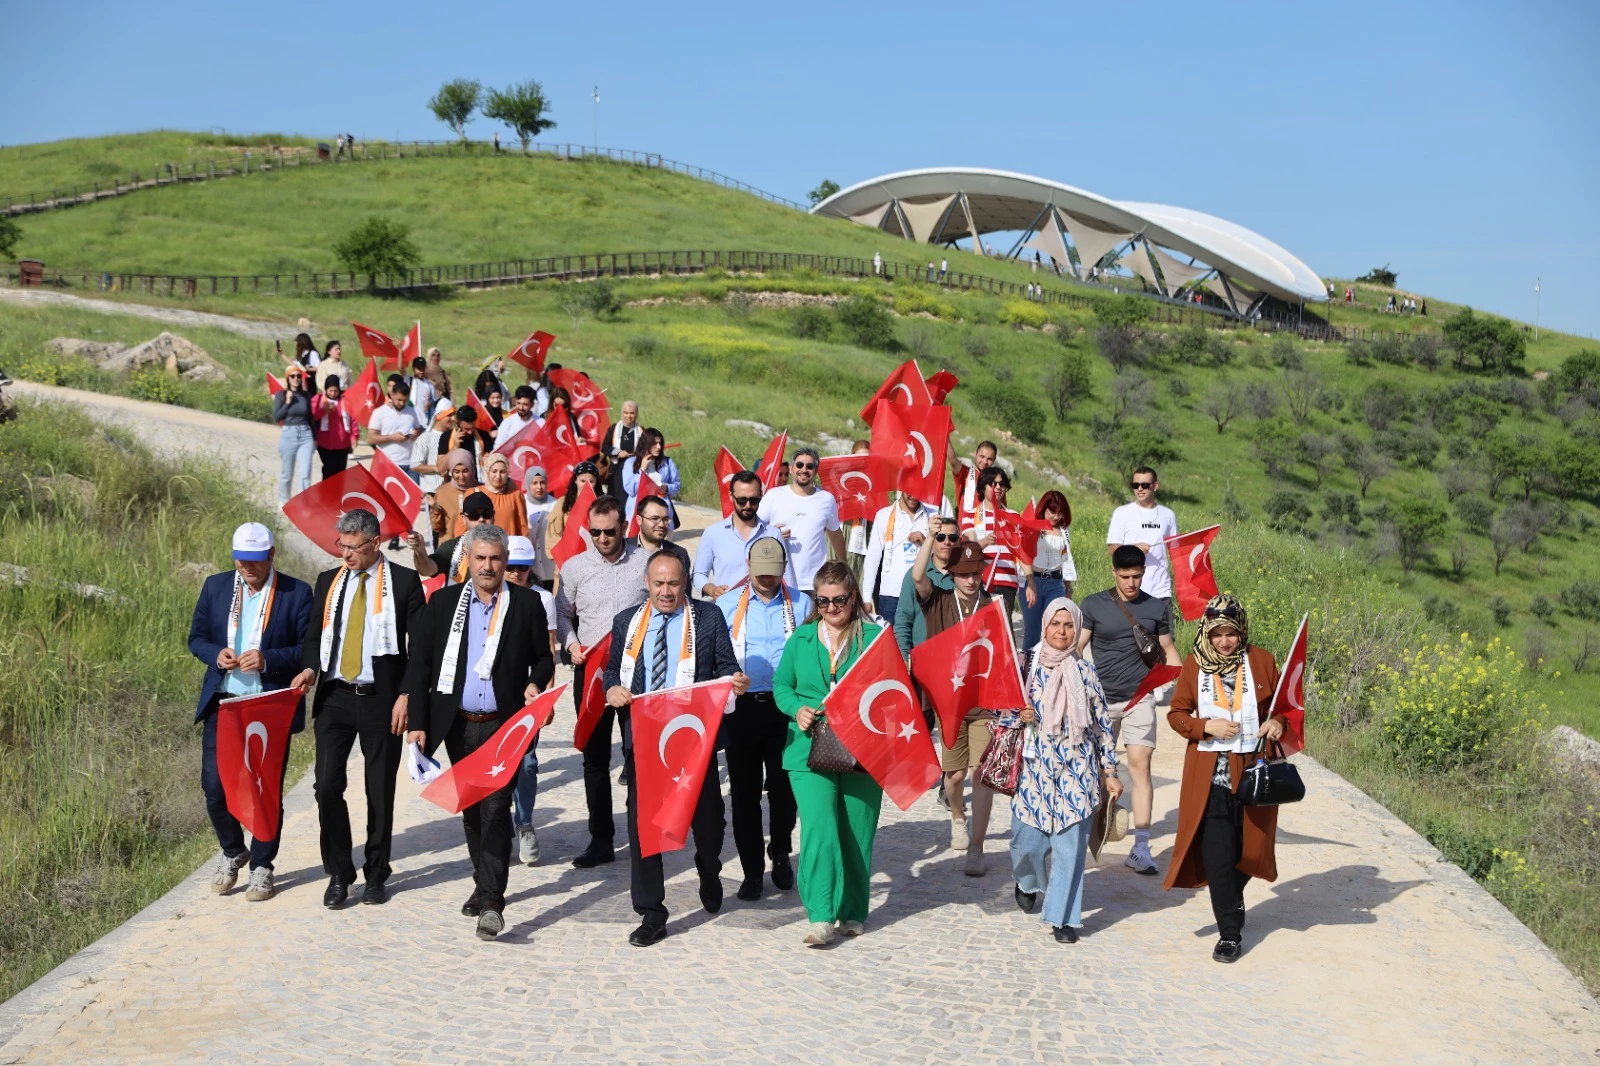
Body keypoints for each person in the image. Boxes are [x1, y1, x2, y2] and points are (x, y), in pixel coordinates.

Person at [403, 524, 554, 940]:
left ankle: (491, 900)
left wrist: (535, 684)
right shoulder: (445, 602)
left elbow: (544, 658)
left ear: (506, 562)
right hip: (456, 724)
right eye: (481, 558)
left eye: (496, 559)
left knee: (495, 808)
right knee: (471, 808)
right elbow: (420, 665)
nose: (488, 567)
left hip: (503, 727)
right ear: (467, 558)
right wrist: (418, 722)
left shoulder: (526, 604)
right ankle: (481, 881)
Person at [602, 551, 749, 946]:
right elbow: (614, 669)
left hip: (692, 739)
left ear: (685, 582)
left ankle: (708, 865)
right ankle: (651, 912)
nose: (666, 592)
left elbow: (724, 666)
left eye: (674, 583)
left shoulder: (708, 617)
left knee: (708, 820)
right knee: (642, 825)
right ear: (647, 583)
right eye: (658, 583)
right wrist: (611, 688)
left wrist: (731, 682)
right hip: (645, 740)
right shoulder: (626, 622)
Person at [290, 509, 426, 908]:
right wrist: (311, 667)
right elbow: (313, 634)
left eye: (353, 548)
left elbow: (419, 650)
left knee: (378, 790)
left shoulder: (403, 582)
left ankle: (376, 872)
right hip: (334, 697)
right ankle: (339, 871)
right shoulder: (328, 582)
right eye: (341, 546)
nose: (345, 555)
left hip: (381, 700)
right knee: (326, 785)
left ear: (375, 543)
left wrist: (406, 696)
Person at [186, 523, 314, 902]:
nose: (248, 568)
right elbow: (196, 638)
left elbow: (309, 651)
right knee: (214, 787)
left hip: (269, 706)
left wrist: (267, 659)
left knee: (265, 790)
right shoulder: (216, 586)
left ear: (272, 555)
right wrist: (215, 655)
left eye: (256, 561)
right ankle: (232, 850)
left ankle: (262, 866)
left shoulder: (296, 593)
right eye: (242, 561)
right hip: (225, 704)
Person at [1163, 595, 1284, 962]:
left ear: (1241, 630)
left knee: (1248, 854)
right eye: (1217, 634)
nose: (1224, 641)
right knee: (1217, 858)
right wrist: (1204, 726)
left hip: (1252, 779)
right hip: (1210, 779)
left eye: (1231, 633)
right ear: (1207, 633)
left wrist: (1278, 722)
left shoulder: (1261, 661)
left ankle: (1232, 897)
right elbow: (1176, 713)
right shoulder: (1194, 665)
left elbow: (1285, 706)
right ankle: (1229, 933)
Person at [773, 560, 884, 946]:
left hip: (862, 749)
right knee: (819, 830)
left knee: (856, 834)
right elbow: (781, 685)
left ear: (853, 597)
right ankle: (820, 916)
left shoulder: (874, 640)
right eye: (823, 601)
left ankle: (853, 910)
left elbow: (890, 691)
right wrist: (796, 709)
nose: (832, 608)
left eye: (839, 600)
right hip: (806, 748)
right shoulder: (800, 641)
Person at [999, 597, 1120, 943]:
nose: (1062, 632)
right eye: (1056, 624)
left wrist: (1109, 771)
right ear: (1045, 625)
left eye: (1069, 625)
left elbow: (1101, 726)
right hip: (1034, 772)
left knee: (1070, 850)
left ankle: (1064, 917)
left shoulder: (1085, 671)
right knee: (1027, 844)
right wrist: (1016, 716)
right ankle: (1028, 880)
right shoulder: (1026, 665)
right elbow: (998, 711)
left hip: (1076, 771)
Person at [553, 496, 649, 867]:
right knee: (594, 758)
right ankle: (601, 838)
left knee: (635, 755)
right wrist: (571, 643)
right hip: (591, 673)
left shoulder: (644, 563)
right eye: (596, 532)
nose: (604, 538)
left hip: (635, 674)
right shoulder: (575, 567)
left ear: (625, 527)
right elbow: (563, 612)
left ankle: (641, 833)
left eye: (611, 531)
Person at [1079, 545, 1182, 876]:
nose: (1131, 583)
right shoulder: (1094, 604)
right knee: (1095, 770)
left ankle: (1141, 847)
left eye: (1137, 576)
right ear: (1113, 572)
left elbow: (1168, 649)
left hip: (1140, 698)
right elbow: (1077, 648)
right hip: (1100, 702)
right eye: (1125, 577)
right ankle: (1087, 834)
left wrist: (1183, 683)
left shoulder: (1156, 606)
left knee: (1141, 766)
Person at [717, 537, 810, 901]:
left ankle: (781, 851)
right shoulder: (725, 606)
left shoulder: (802, 604)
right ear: (747, 567)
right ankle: (752, 869)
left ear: (784, 569)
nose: (767, 580)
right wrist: (728, 676)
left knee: (785, 791)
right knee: (743, 793)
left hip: (786, 708)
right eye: (760, 573)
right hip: (741, 709)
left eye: (774, 573)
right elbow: (714, 656)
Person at [915, 539, 997, 873]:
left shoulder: (992, 604)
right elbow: (918, 577)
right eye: (963, 574)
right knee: (955, 774)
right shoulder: (939, 601)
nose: (970, 580)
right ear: (952, 575)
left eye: (975, 573)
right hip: (948, 704)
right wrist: (930, 540)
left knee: (981, 774)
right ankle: (957, 815)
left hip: (982, 703)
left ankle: (977, 847)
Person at [504, 534, 558, 863]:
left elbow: (547, 652)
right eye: (509, 567)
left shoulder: (542, 599)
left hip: (530, 693)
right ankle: (496, 824)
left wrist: (547, 697)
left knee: (527, 763)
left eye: (521, 569)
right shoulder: (489, 596)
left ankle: (524, 823)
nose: (515, 574)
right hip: (492, 694)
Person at [757, 446, 844, 592]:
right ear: (791, 468)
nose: (804, 470)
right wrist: (771, 533)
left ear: (815, 471)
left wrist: (843, 566)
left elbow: (835, 534)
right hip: (778, 579)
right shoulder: (774, 496)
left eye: (810, 466)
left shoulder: (826, 499)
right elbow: (754, 529)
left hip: (815, 583)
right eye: (799, 465)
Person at [693, 470, 789, 597]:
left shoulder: (774, 534)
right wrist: (712, 589)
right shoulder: (712, 534)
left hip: (764, 610)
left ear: (761, 495)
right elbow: (699, 574)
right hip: (726, 611)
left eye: (754, 500)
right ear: (731, 496)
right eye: (742, 500)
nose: (748, 505)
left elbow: (785, 576)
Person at [1105, 465, 1178, 609]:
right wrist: (1133, 549)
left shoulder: (1168, 515)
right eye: (1135, 485)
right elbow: (1112, 549)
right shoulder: (1121, 513)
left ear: (1155, 486)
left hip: (1161, 591)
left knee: (1164, 632)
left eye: (1144, 485)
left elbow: (1175, 550)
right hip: (1130, 590)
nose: (1139, 489)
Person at [861, 490, 935, 624]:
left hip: (923, 593)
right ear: (901, 488)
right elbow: (873, 558)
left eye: (918, 491)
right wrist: (866, 597)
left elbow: (942, 554)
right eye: (909, 491)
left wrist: (926, 541)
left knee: (921, 643)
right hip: (891, 595)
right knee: (892, 643)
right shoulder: (884, 515)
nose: (914, 496)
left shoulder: (933, 515)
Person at [894, 515, 960, 657]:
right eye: (940, 537)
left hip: (957, 661)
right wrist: (903, 657)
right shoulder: (914, 575)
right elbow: (903, 621)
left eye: (953, 538)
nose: (947, 542)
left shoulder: (967, 577)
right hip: (921, 659)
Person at [963, 466, 1021, 624]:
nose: (997, 488)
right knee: (980, 630)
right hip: (980, 581)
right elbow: (969, 550)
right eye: (992, 484)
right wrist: (984, 542)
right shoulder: (970, 516)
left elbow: (1022, 552)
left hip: (1007, 581)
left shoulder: (1014, 516)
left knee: (1005, 631)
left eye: (1001, 484)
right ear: (983, 487)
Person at [1021, 490, 1077, 650]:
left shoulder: (1065, 531)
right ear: (1043, 509)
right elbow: (1023, 555)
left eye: (1060, 513)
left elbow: (1066, 560)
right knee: (1032, 632)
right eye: (1052, 512)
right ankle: (1028, 670)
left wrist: (1068, 590)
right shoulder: (1032, 526)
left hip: (1055, 584)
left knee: (1053, 628)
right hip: (1034, 582)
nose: (1055, 517)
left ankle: (1050, 670)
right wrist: (1030, 583)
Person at [411, 491, 497, 582]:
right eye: (474, 516)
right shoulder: (452, 547)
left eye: (487, 514)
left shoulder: (507, 545)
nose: (481, 519)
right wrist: (419, 550)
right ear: (464, 519)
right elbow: (427, 570)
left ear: (493, 515)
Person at [458, 452, 529, 538]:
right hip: (479, 546)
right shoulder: (473, 493)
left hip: (507, 547)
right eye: (494, 471)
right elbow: (461, 525)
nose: (498, 476)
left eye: (502, 472)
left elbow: (522, 528)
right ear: (487, 472)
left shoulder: (515, 495)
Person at [622, 428, 681, 527]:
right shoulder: (630, 463)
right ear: (646, 444)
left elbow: (677, 486)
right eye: (654, 443)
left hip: (662, 514)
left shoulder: (667, 462)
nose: (658, 447)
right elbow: (631, 490)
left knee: (663, 542)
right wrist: (642, 469)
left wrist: (666, 488)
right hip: (637, 513)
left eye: (660, 443)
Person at [273, 365, 315, 503]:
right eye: (293, 376)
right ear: (288, 378)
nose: (296, 379)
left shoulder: (305, 395)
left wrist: (315, 437)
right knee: (287, 473)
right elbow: (277, 416)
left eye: (298, 376)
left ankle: (303, 504)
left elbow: (310, 417)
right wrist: (287, 403)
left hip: (305, 434)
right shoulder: (281, 395)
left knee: (305, 473)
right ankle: (284, 500)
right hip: (288, 433)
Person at [367, 379, 423, 483]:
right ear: (392, 395)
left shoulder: (412, 411)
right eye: (399, 399)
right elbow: (371, 438)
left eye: (405, 400)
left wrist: (416, 434)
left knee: (414, 497)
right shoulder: (380, 412)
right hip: (388, 464)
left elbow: (418, 429)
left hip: (410, 465)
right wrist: (391, 438)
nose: (402, 403)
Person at [547, 460, 600, 554]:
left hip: (594, 555)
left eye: (591, 481)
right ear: (575, 480)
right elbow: (554, 533)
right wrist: (560, 557)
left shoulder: (602, 504)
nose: (586, 485)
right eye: (582, 481)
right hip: (568, 555)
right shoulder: (563, 502)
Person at [631, 494, 691, 577]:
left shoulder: (680, 554)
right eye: (655, 519)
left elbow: (684, 589)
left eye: (665, 519)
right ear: (639, 520)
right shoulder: (622, 550)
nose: (661, 524)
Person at [430, 449, 479, 542]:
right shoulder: (442, 492)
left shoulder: (481, 489)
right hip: (449, 548)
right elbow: (436, 527)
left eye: (465, 471)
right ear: (451, 471)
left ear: (472, 470)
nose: (461, 476)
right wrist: (435, 509)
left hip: (476, 547)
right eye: (456, 472)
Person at [310, 378, 355, 480]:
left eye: (335, 391)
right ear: (326, 389)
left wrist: (354, 436)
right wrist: (324, 411)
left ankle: (338, 494)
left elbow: (353, 419)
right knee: (329, 468)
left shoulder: (345, 401)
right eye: (330, 391)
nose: (333, 393)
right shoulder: (318, 399)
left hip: (342, 443)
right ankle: (326, 493)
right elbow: (312, 416)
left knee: (340, 471)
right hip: (324, 442)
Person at [842, 439, 872, 584]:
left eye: (866, 457)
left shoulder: (874, 483)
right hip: (843, 531)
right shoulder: (843, 478)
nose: (861, 461)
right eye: (858, 457)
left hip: (863, 534)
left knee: (857, 577)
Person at [522, 468, 558, 590]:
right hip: (529, 565)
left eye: (542, 482)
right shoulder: (521, 502)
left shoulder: (555, 504)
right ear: (527, 483)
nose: (539, 487)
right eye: (534, 483)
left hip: (550, 565)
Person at [951, 440, 999, 524]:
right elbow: (953, 461)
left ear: (994, 459)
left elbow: (1001, 511)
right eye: (982, 456)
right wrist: (944, 434)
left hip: (987, 532)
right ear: (975, 454)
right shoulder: (965, 473)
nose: (985, 462)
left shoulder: (997, 482)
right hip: (964, 532)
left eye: (989, 459)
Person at [601, 401, 641, 499]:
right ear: (621, 413)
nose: (629, 416)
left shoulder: (641, 431)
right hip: (616, 469)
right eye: (626, 412)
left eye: (632, 413)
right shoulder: (614, 429)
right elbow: (605, 447)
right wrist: (618, 452)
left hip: (634, 470)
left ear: (637, 414)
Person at [406, 356, 438, 427]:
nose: (421, 371)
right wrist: (400, 350)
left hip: (426, 422)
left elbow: (435, 401)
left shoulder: (429, 385)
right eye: (419, 369)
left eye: (423, 368)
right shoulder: (409, 381)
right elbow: (400, 368)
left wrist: (430, 403)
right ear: (414, 369)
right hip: (412, 422)